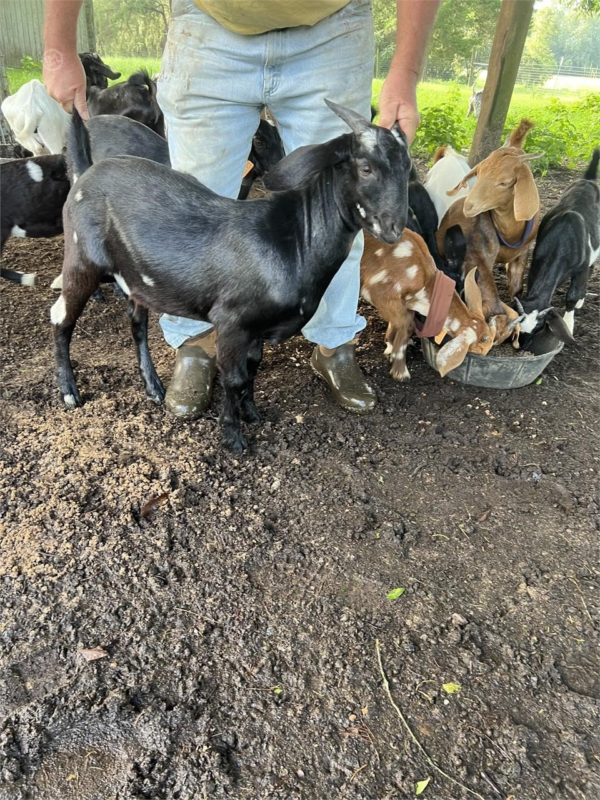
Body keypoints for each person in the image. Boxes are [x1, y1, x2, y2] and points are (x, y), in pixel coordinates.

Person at [44, 0, 439, 419]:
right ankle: (196, 343)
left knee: (342, 211)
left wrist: (407, 71)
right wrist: (58, 47)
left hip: (332, 32)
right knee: (191, 206)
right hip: (208, 28)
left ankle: (333, 343)